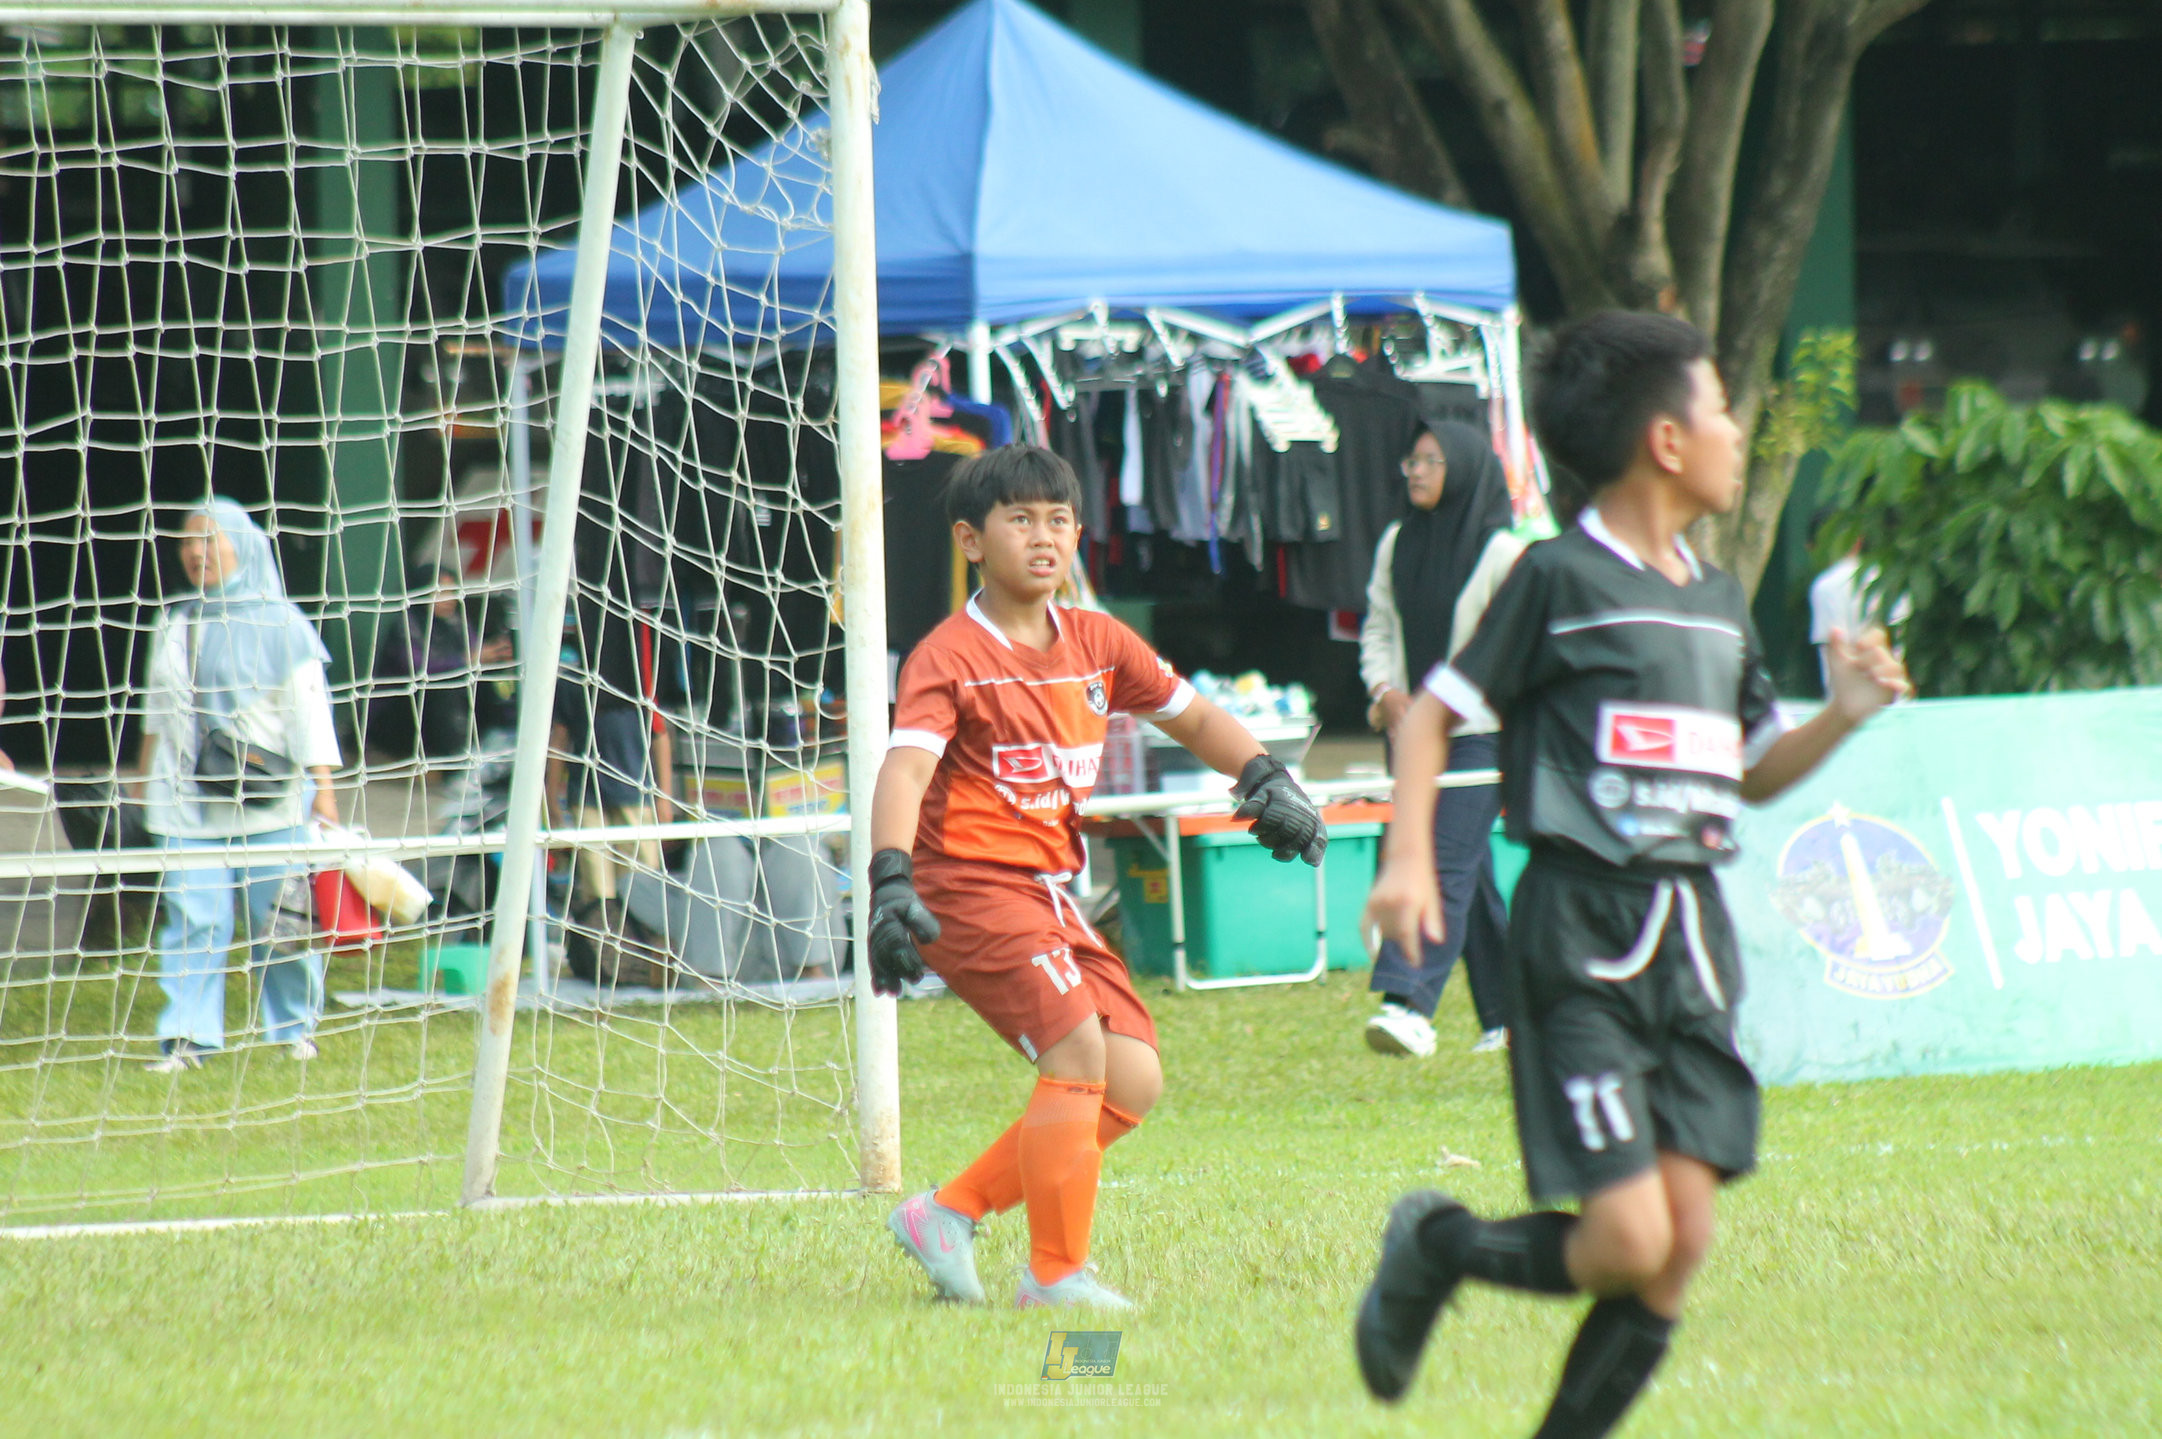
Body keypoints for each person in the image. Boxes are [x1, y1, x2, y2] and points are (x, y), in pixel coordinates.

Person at [1355, 313, 1910, 1435]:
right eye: (1717, 408)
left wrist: (1842, 717)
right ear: (1663, 439)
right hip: (1583, 933)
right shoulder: (1554, 577)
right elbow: (1428, 720)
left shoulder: (1714, 597)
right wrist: (1409, 855)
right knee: (1624, 1237)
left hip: (1692, 938)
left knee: (1679, 1243)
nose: (1735, 431)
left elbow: (1749, 771)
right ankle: (1437, 1243)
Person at [873, 444, 1326, 1310]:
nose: (1043, 537)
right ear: (971, 539)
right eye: (1019, 519)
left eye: (1057, 519)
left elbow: (1192, 716)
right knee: (1077, 1051)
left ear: (1078, 532)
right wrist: (891, 877)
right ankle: (1054, 1275)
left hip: (1047, 891)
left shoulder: (1096, 640)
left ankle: (947, 1211)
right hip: (964, 886)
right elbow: (903, 772)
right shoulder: (949, 655)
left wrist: (1267, 776)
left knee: (1132, 1078)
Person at [137, 499, 342, 1073]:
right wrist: (141, 774)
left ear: (243, 546)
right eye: (187, 541)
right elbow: (158, 710)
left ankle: (294, 1028)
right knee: (194, 918)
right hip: (184, 804)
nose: (197, 551)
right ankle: (187, 1038)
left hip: (269, 803)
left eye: (210, 538)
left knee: (280, 922)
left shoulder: (284, 623)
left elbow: (309, 714)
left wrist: (324, 795)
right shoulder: (174, 621)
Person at [1359, 421, 1525, 1058]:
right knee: (1472, 874)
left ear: (1463, 468)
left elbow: (1512, 652)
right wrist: (1384, 692)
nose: (1417, 471)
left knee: (1439, 863)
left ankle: (1409, 1004)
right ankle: (1509, 1016)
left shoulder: (1502, 554)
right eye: (1413, 459)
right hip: (1406, 735)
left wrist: (1458, 704)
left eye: (1431, 460)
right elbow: (1378, 627)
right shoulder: (1396, 543)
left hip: (1478, 736)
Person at [366, 564, 514, 765]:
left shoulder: (457, 622)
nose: (449, 599)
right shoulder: (407, 624)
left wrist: (494, 655)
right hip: (400, 713)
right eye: (440, 592)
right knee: (443, 688)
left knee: (492, 686)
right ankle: (454, 764)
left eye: (452, 592)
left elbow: (475, 653)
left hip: (446, 711)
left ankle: (499, 750)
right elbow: (419, 669)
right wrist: (465, 660)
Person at [1809, 541, 1908, 695]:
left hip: (1849, 702)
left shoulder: (1825, 586)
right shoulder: (1889, 576)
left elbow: (1831, 648)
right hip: (1897, 693)